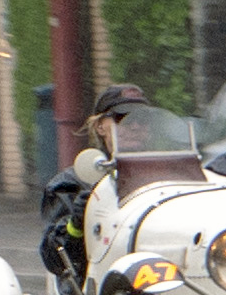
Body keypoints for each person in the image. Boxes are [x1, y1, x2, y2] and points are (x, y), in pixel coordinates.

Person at [39, 83, 150, 281]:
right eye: (122, 117)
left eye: (142, 119)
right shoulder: (70, 185)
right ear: (100, 126)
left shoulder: (169, 177)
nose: (134, 125)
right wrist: (76, 224)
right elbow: (54, 260)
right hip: (96, 289)